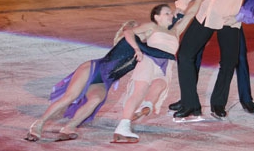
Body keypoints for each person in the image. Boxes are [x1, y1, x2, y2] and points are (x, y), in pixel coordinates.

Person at [25, 11, 179, 142]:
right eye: (139, 29)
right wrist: (173, 56)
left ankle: (69, 127)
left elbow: (156, 52)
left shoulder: (143, 47)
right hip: (93, 69)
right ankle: (38, 124)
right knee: (69, 97)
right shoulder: (130, 40)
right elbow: (130, 33)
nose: (144, 31)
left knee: (96, 99)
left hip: (105, 80)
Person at [112, 0, 208, 143]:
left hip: (165, 66)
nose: (171, 15)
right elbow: (128, 32)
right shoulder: (152, 27)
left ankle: (145, 107)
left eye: (170, 13)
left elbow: (190, 14)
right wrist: (137, 49)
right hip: (149, 62)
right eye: (167, 13)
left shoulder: (176, 31)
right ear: (157, 17)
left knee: (160, 86)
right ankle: (123, 126)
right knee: (138, 92)